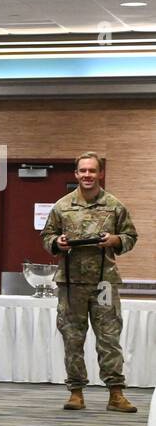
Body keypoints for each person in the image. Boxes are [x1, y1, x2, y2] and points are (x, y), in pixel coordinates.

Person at [41, 152, 138, 412]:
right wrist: (56, 243)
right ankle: (76, 392)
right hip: (71, 284)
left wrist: (115, 241)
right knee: (72, 338)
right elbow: (47, 236)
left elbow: (130, 236)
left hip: (104, 283)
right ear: (75, 174)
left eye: (92, 171)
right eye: (82, 171)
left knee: (109, 338)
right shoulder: (61, 206)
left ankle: (116, 394)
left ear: (100, 173)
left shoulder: (114, 205)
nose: (87, 175)